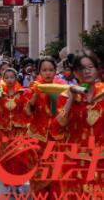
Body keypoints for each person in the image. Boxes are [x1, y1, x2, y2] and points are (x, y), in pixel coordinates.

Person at [52, 51, 104, 195]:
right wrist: (71, 100)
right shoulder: (66, 97)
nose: (87, 71)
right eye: (82, 68)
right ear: (75, 73)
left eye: (90, 67)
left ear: (97, 69)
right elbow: (56, 129)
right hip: (74, 160)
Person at [25, 57, 65, 194]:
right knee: (38, 171)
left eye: (51, 70)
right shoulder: (33, 87)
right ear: (39, 72)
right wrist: (35, 95)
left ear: (55, 71)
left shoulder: (63, 89)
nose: (48, 73)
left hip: (57, 138)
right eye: (44, 70)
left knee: (56, 172)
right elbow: (27, 112)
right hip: (38, 137)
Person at [0, 68, 31, 193]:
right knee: (6, 156)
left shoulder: (22, 93)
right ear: (3, 79)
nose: (9, 80)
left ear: (16, 78)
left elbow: (27, 111)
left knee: (19, 155)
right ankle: (8, 182)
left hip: (19, 128)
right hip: (3, 130)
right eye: (7, 77)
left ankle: (18, 182)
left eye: (12, 77)